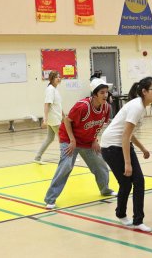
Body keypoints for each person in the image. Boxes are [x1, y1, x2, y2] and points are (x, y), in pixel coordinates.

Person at [44, 78, 116, 209]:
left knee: (100, 165)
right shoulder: (82, 106)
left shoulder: (107, 108)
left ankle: (105, 190)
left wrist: (94, 140)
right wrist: (72, 140)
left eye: (106, 92)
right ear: (94, 94)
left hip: (87, 141)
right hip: (69, 139)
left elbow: (99, 125)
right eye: (102, 92)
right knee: (65, 166)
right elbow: (67, 121)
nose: (106, 95)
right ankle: (50, 198)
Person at [100, 77, 152, 232]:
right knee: (133, 181)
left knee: (132, 182)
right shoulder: (137, 107)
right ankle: (137, 220)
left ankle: (122, 214)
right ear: (144, 91)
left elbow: (129, 134)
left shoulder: (141, 106)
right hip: (111, 147)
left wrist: (143, 148)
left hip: (121, 144)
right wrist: (127, 163)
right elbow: (125, 136)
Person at [34, 71, 65, 164]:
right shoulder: (50, 89)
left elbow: (58, 105)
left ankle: (37, 157)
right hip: (54, 119)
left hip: (56, 118)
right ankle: (64, 158)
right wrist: (45, 119)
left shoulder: (55, 89)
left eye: (59, 77)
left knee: (50, 138)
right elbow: (47, 104)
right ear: (51, 79)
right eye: (56, 77)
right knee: (63, 138)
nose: (58, 78)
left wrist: (64, 116)